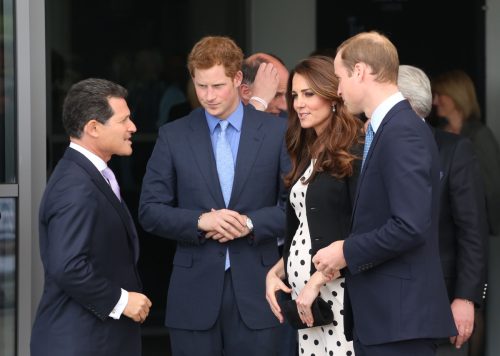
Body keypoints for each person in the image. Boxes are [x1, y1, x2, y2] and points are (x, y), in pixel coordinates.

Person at [138, 36, 290, 356]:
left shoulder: (277, 132)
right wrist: (200, 220)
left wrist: (250, 223)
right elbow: (150, 210)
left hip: (261, 289)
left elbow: (294, 207)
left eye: (217, 85)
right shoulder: (173, 135)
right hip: (193, 294)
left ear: (237, 79)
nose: (208, 96)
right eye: (201, 85)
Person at [312, 31, 457, 355]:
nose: (337, 90)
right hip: (387, 318)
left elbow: (409, 225)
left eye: (340, 77)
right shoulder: (390, 127)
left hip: (399, 320)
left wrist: (345, 251)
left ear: (361, 71)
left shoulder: (402, 131)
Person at [30, 78, 152, 356]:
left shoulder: (90, 175)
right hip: (82, 342)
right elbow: (69, 266)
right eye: (124, 121)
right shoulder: (75, 185)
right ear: (93, 128)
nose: (132, 128)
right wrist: (122, 301)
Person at [265, 55, 362, 356]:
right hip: (308, 298)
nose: (298, 104)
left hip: (338, 293)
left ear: (333, 97)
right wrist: (276, 272)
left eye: (309, 94)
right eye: (294, 95)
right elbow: (306, 229)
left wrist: (316, 282)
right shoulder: (309, 150)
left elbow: (362, 229)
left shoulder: (355, 149)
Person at [398, 64, 488, 355]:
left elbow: (472, 230)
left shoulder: (454, 149)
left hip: (439, 300)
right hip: (385, 306)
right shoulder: (365, 148)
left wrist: (466, 297)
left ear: (404, 102)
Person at [432, 69, 500, 238]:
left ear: (456, 96)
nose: (435, 101)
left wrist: (491, 232)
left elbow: (492, 189)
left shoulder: (479, 134)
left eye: (440, 94)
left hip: (477, 230)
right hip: (446, 230)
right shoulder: (438, 133)